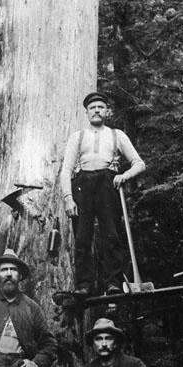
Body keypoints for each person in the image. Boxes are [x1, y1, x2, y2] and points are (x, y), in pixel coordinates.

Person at [59, 91, 146, 297]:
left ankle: (113, 283)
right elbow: (66, 170)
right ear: (87, 113)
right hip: (82, 185)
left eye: (100, 107)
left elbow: (139, 164)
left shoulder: (117, 135)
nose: (96, 110)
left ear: (107, 111)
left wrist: (124, 176)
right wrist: (68, 198)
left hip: (109, 184)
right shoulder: (77, 137)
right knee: (82, 238)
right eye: (92, 108)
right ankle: (83, 285)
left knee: (112, 235)